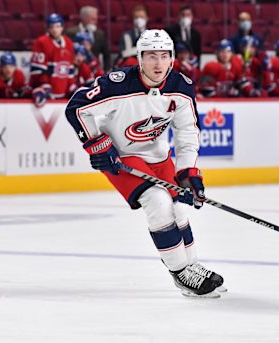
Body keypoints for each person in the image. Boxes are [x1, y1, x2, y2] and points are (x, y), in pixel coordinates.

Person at [65, 29, 225, 298]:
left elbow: (187, 132)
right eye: (151, 56)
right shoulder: (117, 84)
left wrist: (189, 172)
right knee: (159, 203)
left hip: (158, 154)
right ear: (139, 58)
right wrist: (96, 144)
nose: (158, 63)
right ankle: (181, 273)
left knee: (178, 206)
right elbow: (76, 107)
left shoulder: (181, 87)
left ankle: (191, 265)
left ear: (172, 59)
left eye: (164, 56)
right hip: (122, 157)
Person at [30, 13, 74, 107]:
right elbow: (38, 68)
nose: (54, 30)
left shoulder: (69, 42)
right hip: (47, 88)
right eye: (52, 27)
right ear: (48, 28)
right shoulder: (42, 42)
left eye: (57, 26)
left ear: (62, 27)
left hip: (62, 88)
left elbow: (69, 68)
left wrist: (71, 85)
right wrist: (44, 84)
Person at [66, 6, 111, 72]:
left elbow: (106, 55)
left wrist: (107, 71)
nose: (96, 22)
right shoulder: (71, 32)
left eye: (96, 19)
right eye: (93, 19)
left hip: (94, 69)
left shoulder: (100, 34)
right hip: (76, 69)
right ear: (84, 18)